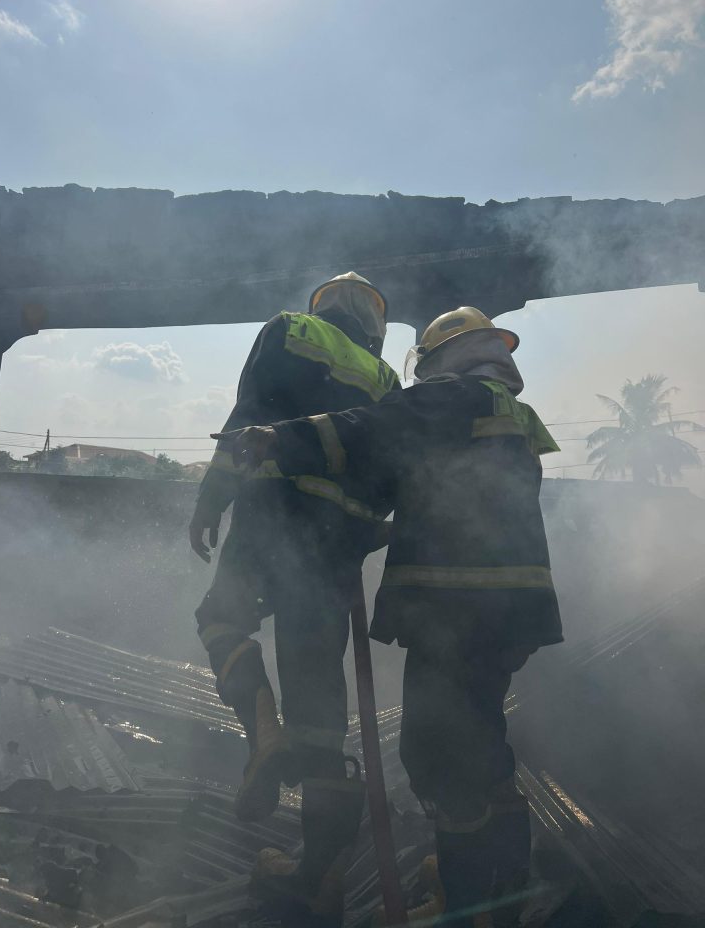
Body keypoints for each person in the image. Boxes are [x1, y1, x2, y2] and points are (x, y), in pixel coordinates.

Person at [216, 306, 564, 928]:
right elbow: (450, 492)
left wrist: (279, 439)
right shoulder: (515, 416)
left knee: (436, 753)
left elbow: (373, 428)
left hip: (456, 604)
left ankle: (469, 907)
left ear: (445, 358)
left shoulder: (451, 397)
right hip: (514, 607)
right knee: (484, 751)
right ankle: (494, 897)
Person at [189, 272, 400, 926]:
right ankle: (320, 874)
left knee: (220, 617)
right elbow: (394, 462)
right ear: (375, 322)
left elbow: (251, 414)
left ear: (324, 305)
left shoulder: (292, 328)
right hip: (338, 548)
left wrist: (212, 496)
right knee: (319, 705)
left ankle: (263, 734)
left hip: (273, 516)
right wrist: (365, 529)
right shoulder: (388, 379)